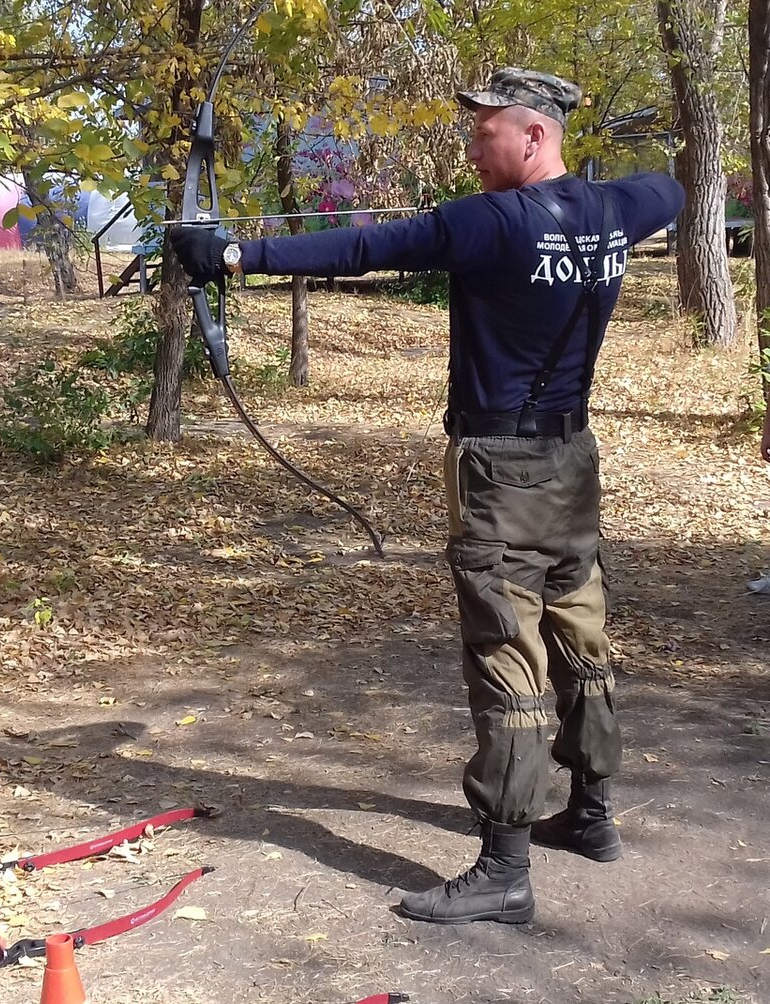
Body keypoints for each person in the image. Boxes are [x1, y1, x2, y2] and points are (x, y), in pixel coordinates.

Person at [171, 67, 685, 925]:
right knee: (579, 630)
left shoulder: (487, 223)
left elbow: (368, 247)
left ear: (533, 135)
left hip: (498, 466)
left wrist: (234, 255)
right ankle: (593, 816)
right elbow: (665, 187)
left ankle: (506, 868)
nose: (471, 145)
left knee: (507, 654)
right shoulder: (616, 210)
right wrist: (605, 199)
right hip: (573, 458)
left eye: (485, 130)